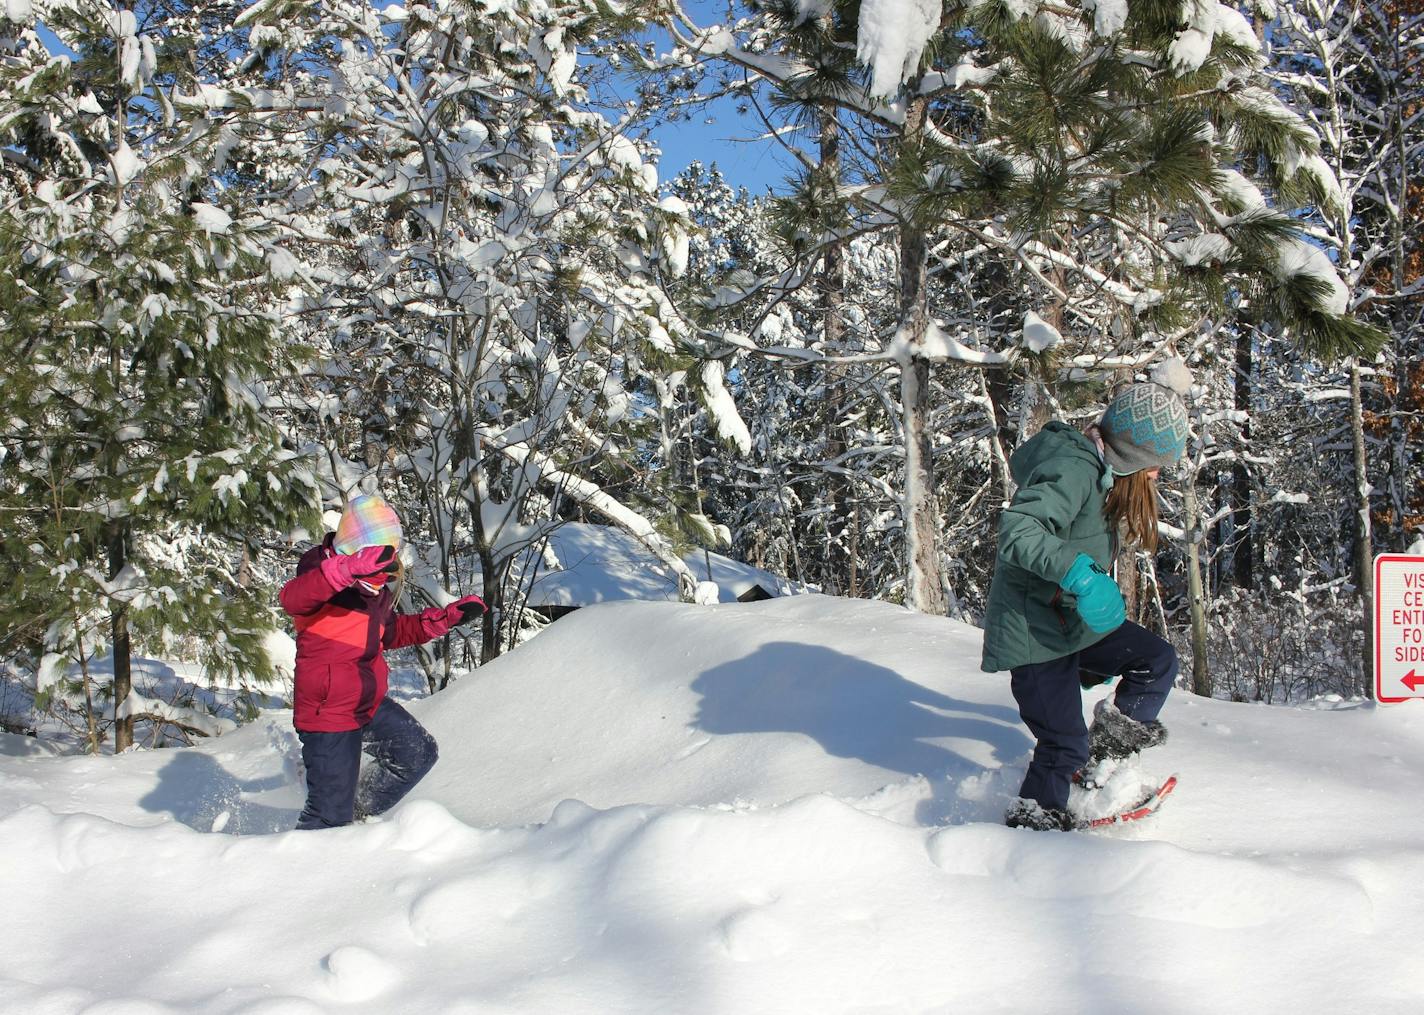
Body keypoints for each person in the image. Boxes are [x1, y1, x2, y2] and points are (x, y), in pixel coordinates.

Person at [981, 359, 1193, 831]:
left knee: (1155, 662)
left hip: (1068, 622)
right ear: (1132, 455)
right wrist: (1080, 573)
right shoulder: (1074, 469)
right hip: (1034, 634)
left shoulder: (1103, 473)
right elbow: (1020, 529)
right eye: (1155, 465)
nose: (1158, 476)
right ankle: (1033, 826)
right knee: (1061, 743)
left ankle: (1096, 767)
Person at [279, 494, 485, 830]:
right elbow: (292, 598)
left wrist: (443, 620)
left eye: (391, 558)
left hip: (367, 701)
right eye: (383, 557)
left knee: (416, 752)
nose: (390, 569)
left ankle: (354, 814)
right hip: (329, 712)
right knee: (327, 819)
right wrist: (349, 569)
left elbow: (390, 632)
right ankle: (314, 847)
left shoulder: (374, 594)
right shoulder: (319, 575)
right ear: (359, 550)